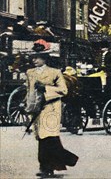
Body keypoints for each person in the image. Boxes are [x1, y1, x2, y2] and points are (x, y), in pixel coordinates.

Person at [26, 43, 78, 177]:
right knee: (41, 138)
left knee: (49, 137)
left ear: (45, 58)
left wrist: (46, 89)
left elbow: (63, 90)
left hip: (51, 108)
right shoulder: (30, 73)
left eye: (38, 57)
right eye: (33, 57)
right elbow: (29, 91)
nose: (34, 60)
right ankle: (48, 165)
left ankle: (48, 167)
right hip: (37, 108)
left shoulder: (55, 72)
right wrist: (27, 106)